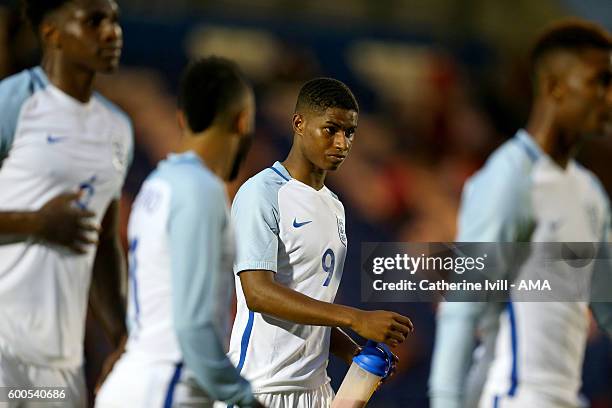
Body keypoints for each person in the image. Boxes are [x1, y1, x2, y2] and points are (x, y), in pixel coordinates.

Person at [429, 19, 612, 408]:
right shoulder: (510, 178)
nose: (609, 97)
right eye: (600, 81)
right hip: (512, 398)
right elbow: (462, 309)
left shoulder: (589, 192)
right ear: (554, 87)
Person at [226, 77, 413, 408]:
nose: (342, 143)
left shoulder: (335, 207)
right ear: (299, 123)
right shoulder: (262, 193)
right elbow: (257, 293)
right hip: (260, 388)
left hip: (316, 391)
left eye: (350, 132)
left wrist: (350, 350)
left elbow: (308, 305)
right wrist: (355, 319)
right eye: (331, 130)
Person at [95, 57, 263, 408]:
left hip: (138, 381)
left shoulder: (158, 185)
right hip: (168, 387)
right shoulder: (201, 189)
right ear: (242, 122)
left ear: (183, 119)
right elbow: (193, 326)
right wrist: (243, 398)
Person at [0, 0, 130, 406]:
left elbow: (103, 241)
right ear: (50, 32)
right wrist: (34, 223)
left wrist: (124, 336)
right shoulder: (12, 102)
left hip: (60, 361)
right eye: (94, 21)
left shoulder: (117, 128)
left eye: (114, 20)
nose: (112, 32)